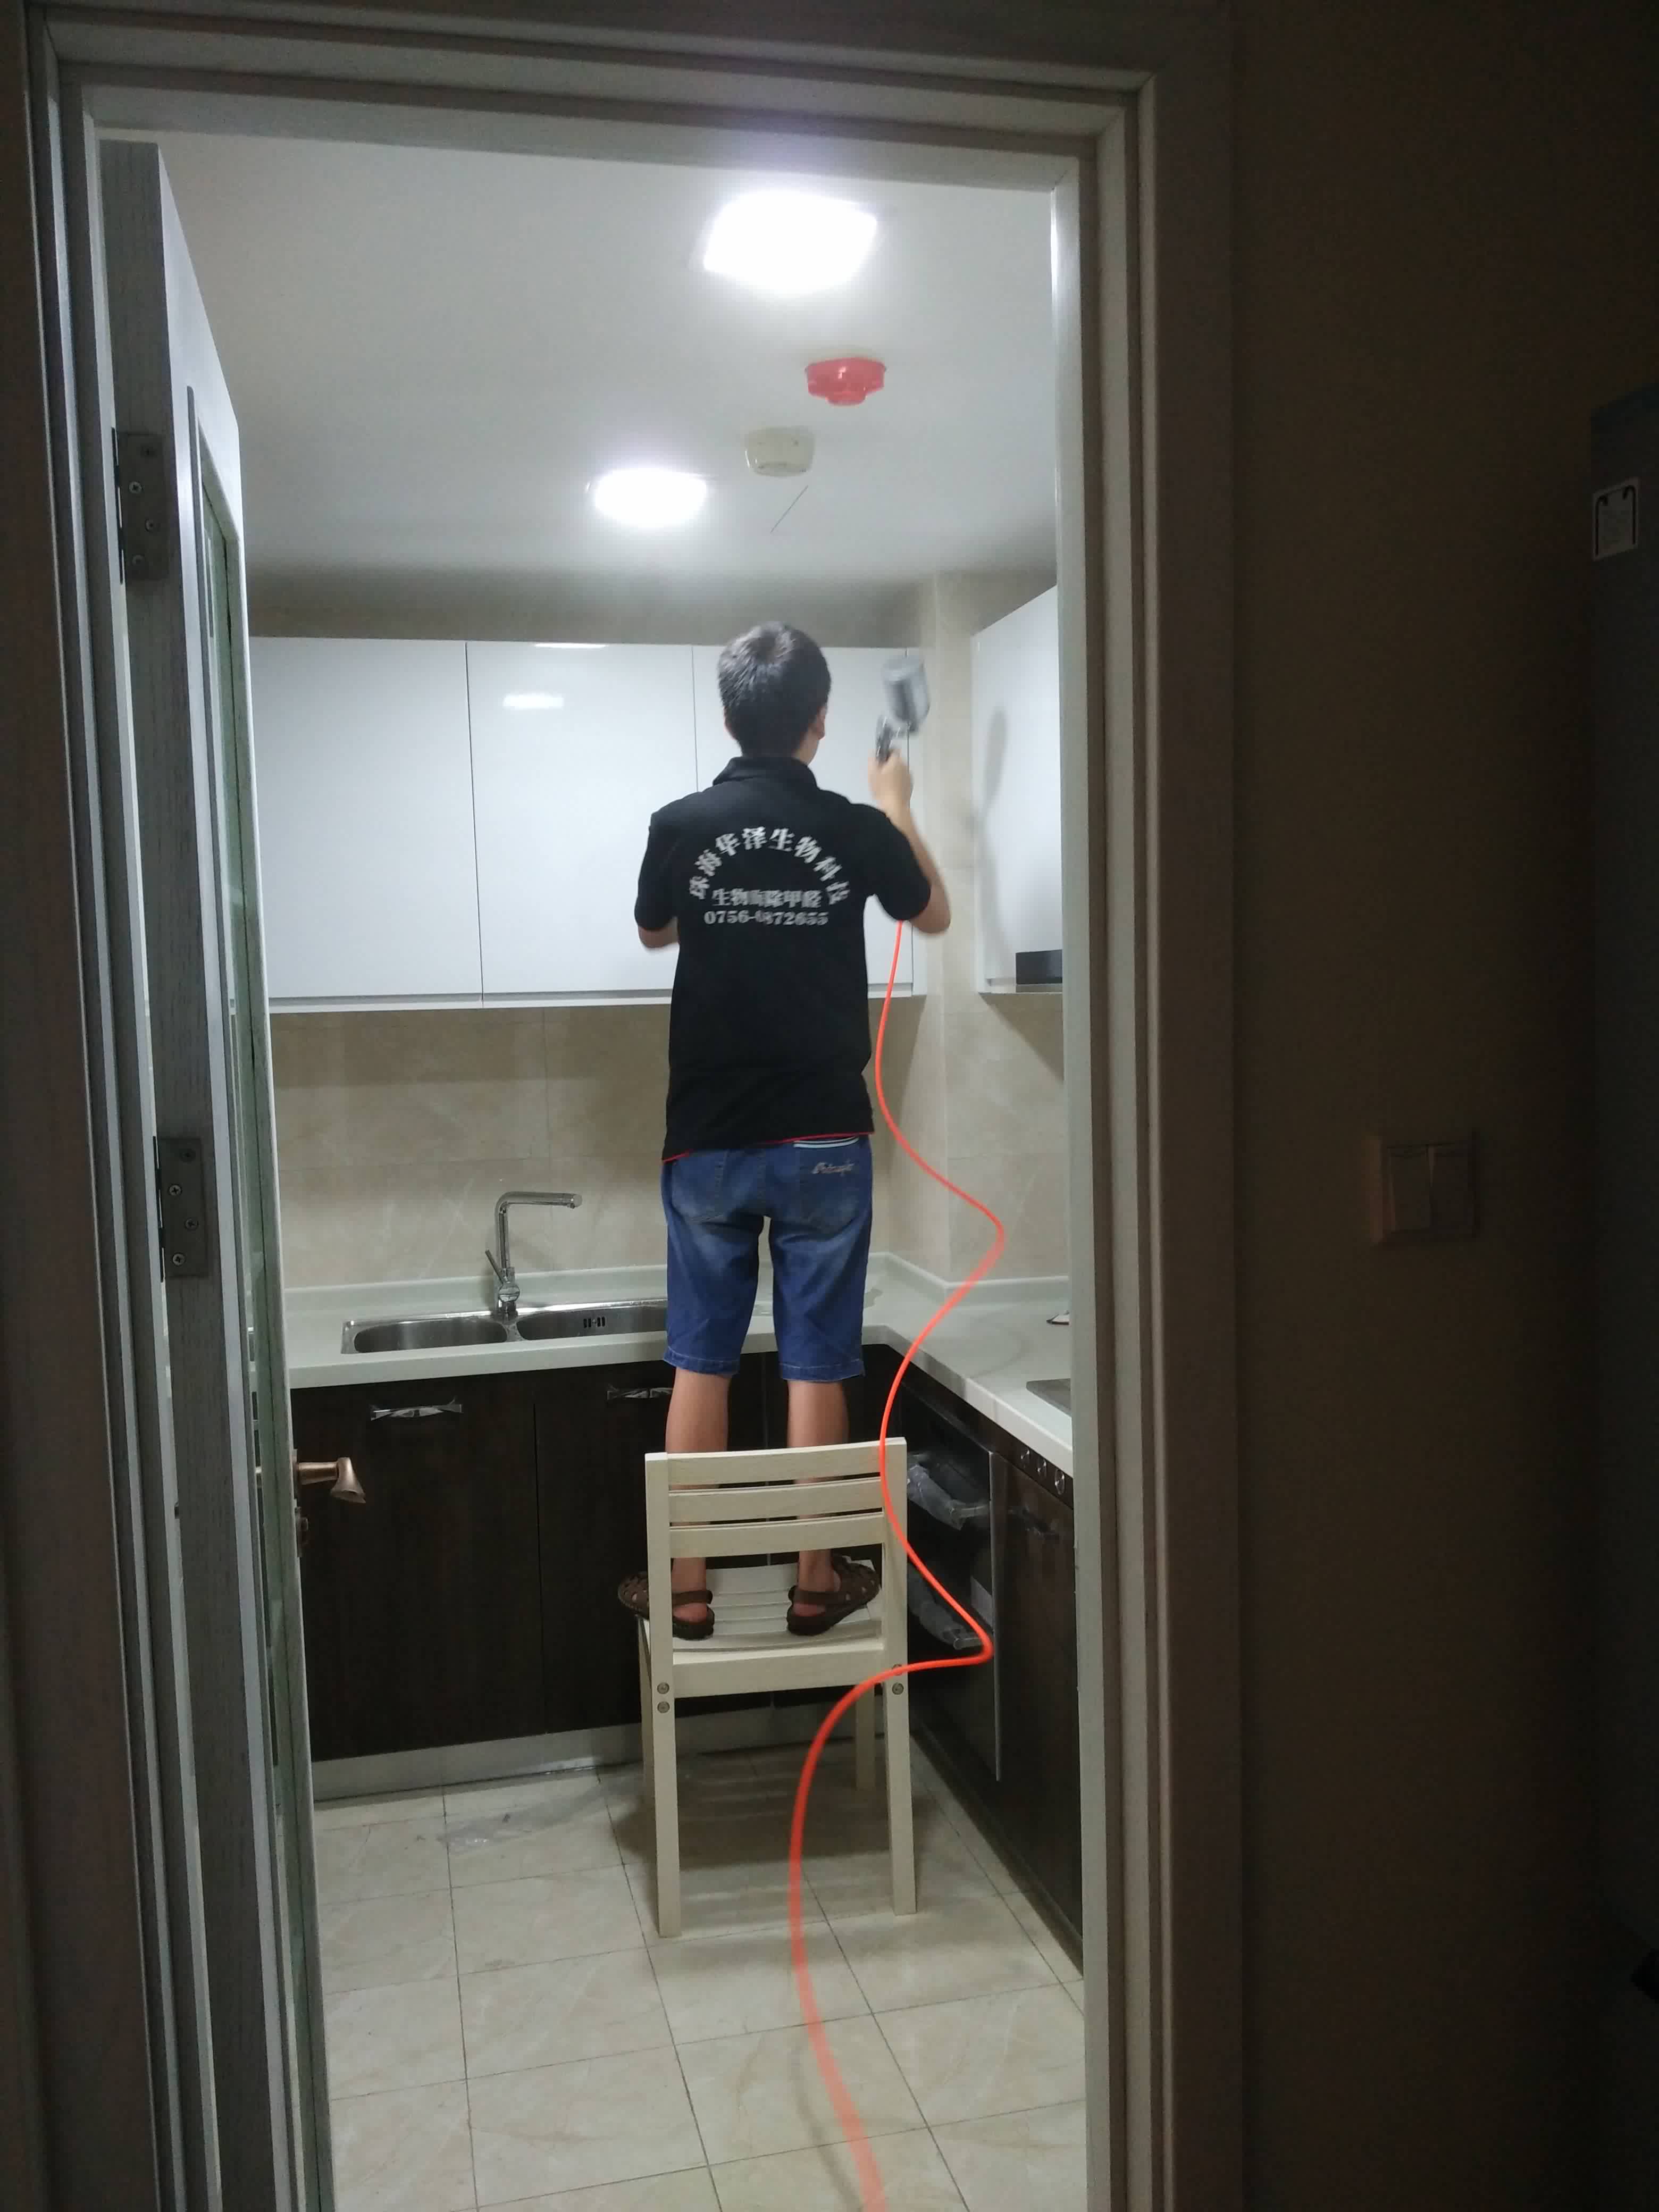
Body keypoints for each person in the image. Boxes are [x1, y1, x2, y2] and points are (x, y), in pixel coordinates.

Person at [617, 622, 951, 1639]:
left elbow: (653, 929)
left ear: (727, 719)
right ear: (820, 720)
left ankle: (686, 1591)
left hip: (708, 1137)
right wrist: (896, 802)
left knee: (701, 1359)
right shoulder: (853, 827)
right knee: (816, 1360)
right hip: (821, 1143)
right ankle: (815, 1582)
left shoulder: (682, 822)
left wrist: (727, 910)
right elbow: (931, 913)